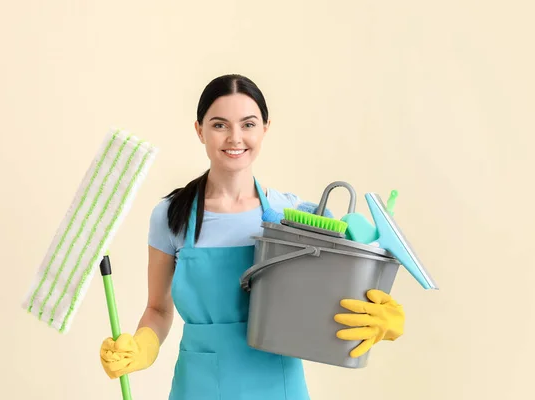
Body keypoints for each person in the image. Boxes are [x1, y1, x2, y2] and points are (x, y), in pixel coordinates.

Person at [99, 74, 406, 399]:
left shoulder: (291, 215)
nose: (235, 138)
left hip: (279, 387)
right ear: (199, 130)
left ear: (265, 129)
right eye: (219, 125)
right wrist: (140, 349)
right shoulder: (171, 216)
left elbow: (341, 284)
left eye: (248, 124)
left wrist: (387, 318)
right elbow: (158, 310)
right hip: (200, 387)